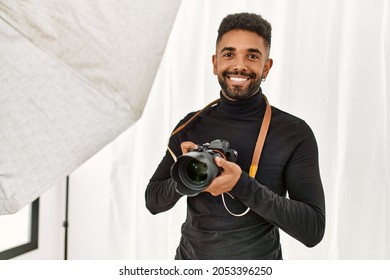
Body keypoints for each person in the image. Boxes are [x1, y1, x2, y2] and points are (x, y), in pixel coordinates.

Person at [145, 12, 325, 260]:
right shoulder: (189, 125)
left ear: (266, 67)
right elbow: (153, 201)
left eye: (252, 56)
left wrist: (241, 184)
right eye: (228, 54)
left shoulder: (293, 133)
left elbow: (313, 230)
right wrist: (188, 175)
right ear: (215, 63)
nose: (239, 65)